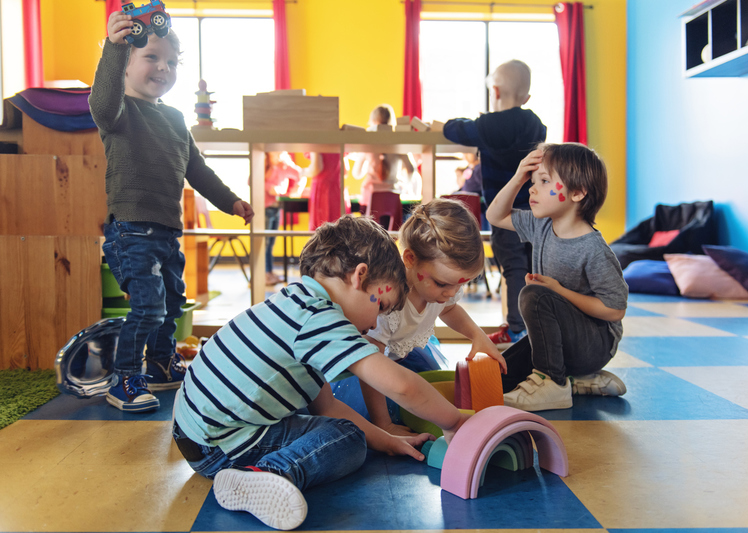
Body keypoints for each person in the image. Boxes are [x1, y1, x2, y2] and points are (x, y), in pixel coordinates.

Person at [172, 215, 471, 530]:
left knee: (339, 425)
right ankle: (267, 474)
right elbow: (402, 386)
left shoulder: (296, 301)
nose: (374, 323)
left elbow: (326, 406)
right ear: (359, 276)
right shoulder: (321, 319)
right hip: (219, 447)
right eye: (380, 305)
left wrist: (386, 440)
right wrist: (454, 422)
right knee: (349, 438)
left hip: (192, 428)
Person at [90, 11, 254, 412]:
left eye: (171, 61)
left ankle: (162, 365)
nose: (162, 67)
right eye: (150, 57)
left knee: (173, 303)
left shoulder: (176, 119)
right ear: (126, 65)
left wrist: (230, 201)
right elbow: (101, 98)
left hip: (166, 231)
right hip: (132, 230)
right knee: (147, 306)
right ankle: (124, 377)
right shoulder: (118, 112)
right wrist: (113, 48)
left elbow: (197, 169)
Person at [486, 143, 628, 411]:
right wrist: (518, 175)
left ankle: (552, 384)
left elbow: (615, 309)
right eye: (533, 180)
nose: (532, 188)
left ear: (577, 193)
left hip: (595, 345)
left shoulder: (593, 249)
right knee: (499, 378)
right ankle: (577, 382)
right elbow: (495, 215)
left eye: (544, 181)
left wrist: (558, 291)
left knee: (534, 296)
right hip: (557, 344)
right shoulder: (541, 224)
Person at [352, 199, 507, 435]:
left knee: (432, 396)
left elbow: (449, 309)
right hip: (371, 372)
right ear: (410, 259)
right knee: (407, 408)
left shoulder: (441, 290)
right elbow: (370, 363)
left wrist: (477, 335)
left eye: (458, 285)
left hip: (407, 358)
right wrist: (384, 425)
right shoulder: (387, 304)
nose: (451, 293)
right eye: (443, 284)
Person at [443, 59, 547, 348]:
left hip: (505, 212)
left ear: (496, 92)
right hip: (536, 208)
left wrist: (459, 123)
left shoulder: (488, 125)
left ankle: (516, 328)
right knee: (533, 265)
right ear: (526, 98)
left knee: (511, 265)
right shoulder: (534, 123)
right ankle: (535, 325)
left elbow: (456, 130)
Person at [351, 104, 419, 203]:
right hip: (392, 196)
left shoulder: (367, 142)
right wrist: (406, 185)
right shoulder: (398, 142)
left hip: (371, 196)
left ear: (373, 121)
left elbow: (356, 174)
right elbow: (411, 169)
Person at [262, 152, 301, 285]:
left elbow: (299, 174)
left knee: (271, 243)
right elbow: (251, 181)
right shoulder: (264, 164)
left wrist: (295, 189)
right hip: (264, 208)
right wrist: (270, 188)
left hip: (276, 207)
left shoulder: (284, 166)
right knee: (264, 243)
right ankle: (264, 274)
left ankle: (269, 272)